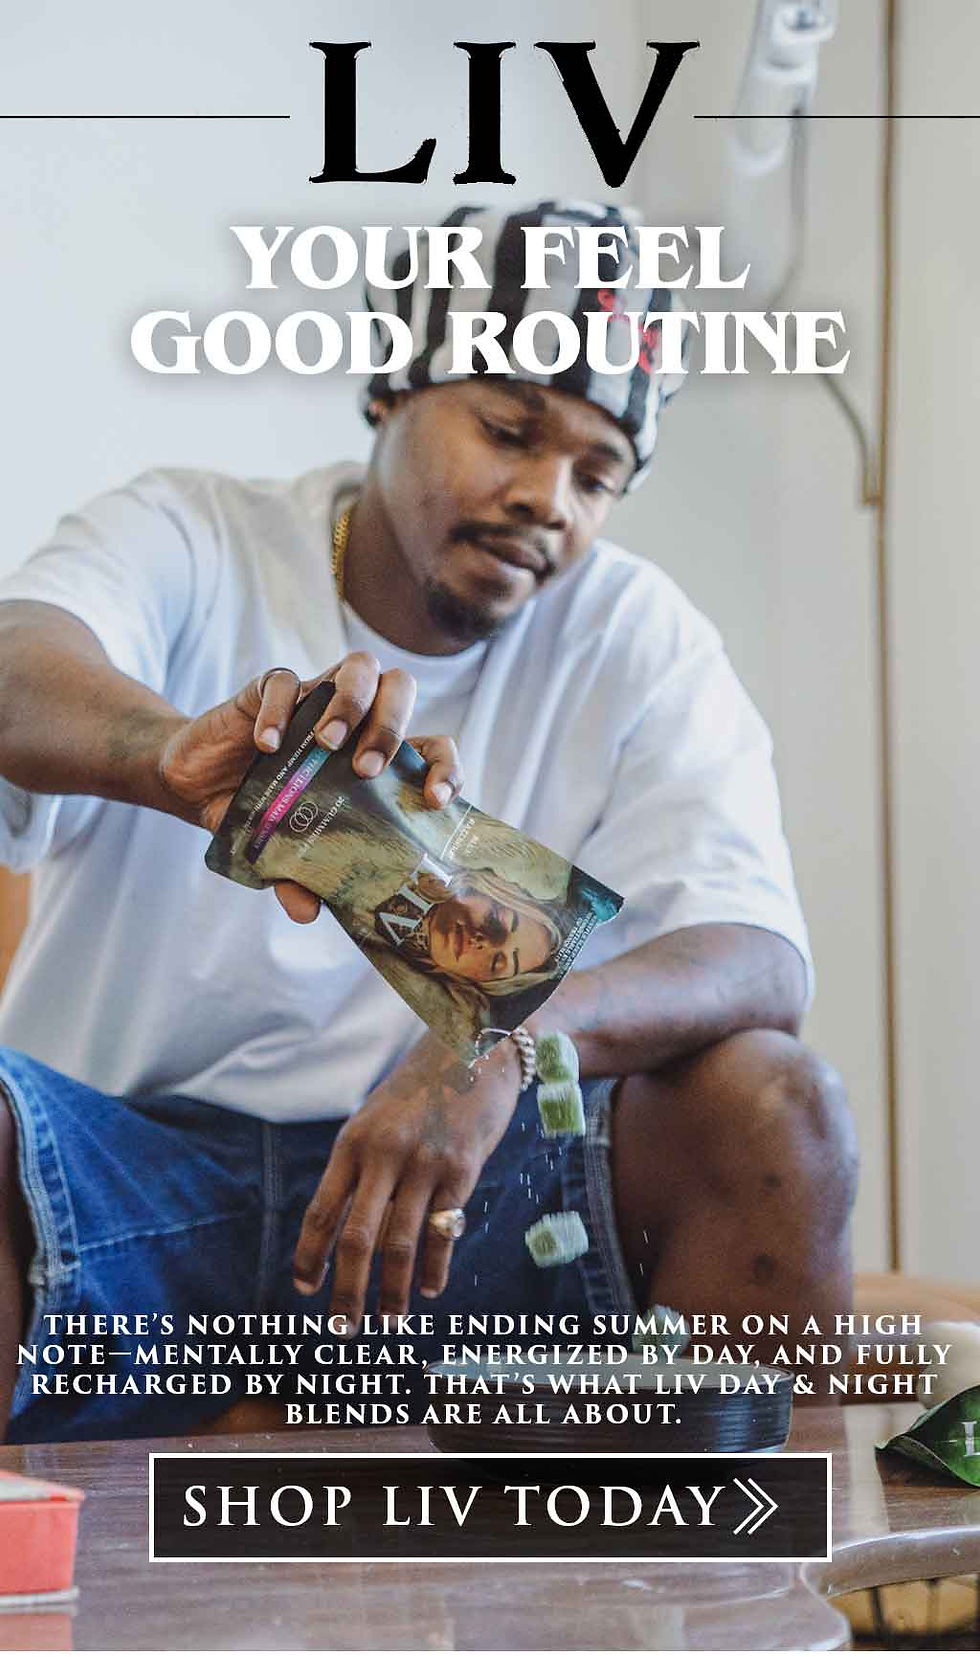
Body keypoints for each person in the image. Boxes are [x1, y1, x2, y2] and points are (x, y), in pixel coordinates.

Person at [0, 201, 857, 1443]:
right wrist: (171, 757)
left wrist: (498, 1041)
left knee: (776, 1100)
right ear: (390, 390)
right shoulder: (192, 531)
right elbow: (19, 661)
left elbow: (757, 955)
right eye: (508, 429)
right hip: (122, 1184)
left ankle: (738, 1563)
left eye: (596, 475)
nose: (546, 498)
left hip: (459, 1213)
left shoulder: (635, 633)